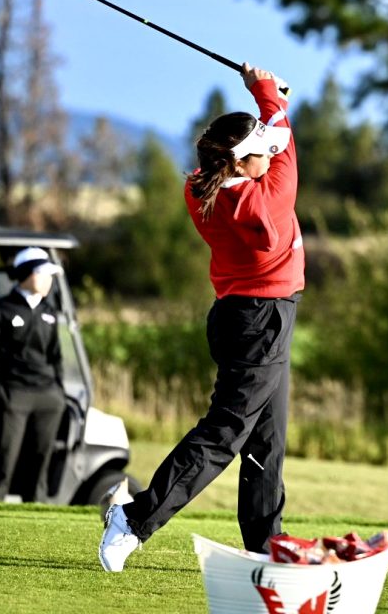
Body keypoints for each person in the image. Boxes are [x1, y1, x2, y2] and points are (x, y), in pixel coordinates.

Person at [100, 64, 304, 572]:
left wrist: (265, 106)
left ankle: (265, 545)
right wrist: (265, 93)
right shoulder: (263, 203)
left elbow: (269, 141)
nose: (270, 156)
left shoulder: (200, 188)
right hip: (261, 322)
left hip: (243, 316)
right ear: (244, 162)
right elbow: (285, 142)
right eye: (261, 153)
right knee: (225, 432)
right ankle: (134, 518)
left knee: (267, 437)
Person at [0, 246, 68, 503]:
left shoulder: (49, 313)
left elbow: (56, 357)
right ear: (27, 274)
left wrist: (59, 393)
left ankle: (35, 515)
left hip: (47, 398)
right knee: (3, 462)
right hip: (13, 396)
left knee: (39, 464)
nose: (50, 281)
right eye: (44, 274)